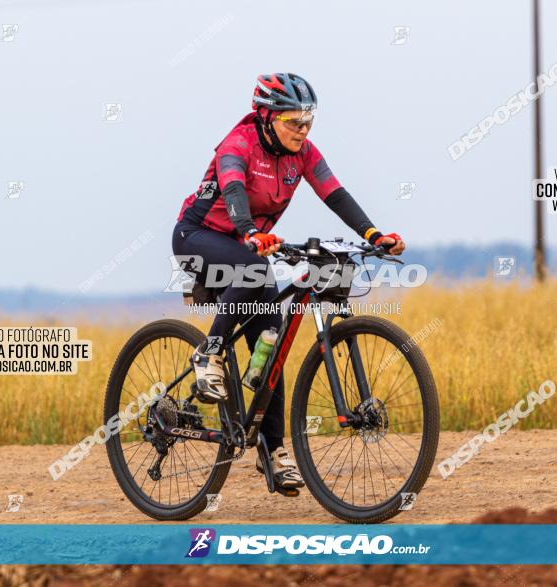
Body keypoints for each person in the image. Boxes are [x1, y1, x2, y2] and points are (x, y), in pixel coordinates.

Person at [171, 73, 405, 491]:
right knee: (254, 269)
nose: (302, 130)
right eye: (293, 121)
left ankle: (272, 450)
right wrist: (248, 232)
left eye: (308, 122)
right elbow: (234, 189)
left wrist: (374, 236)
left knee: (270, 341)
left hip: (251, 246)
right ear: (266, 116)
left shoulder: (303, 153)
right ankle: (208, 354)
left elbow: (335, 194)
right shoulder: (238, 144)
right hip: (200, 237)